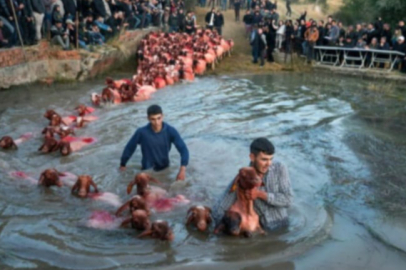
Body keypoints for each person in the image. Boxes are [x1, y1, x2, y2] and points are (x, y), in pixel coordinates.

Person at [212, 138, 293, 231]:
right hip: (262, 230)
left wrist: (260, 194)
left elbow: (288, 200)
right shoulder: (243, 178)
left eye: (271, 159)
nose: (269, 164)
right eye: (264, 159)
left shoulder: (280, 168)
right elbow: (218, 210)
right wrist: (230, 224)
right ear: (252, 157)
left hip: (284, 225)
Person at [120, 105, 189, 181]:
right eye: (153, 119)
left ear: (162, 116)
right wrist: (123, 164)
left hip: (165, 169)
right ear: (148, 118)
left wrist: (182, 169)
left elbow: (183, 149)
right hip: (147, 171)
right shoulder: (141, 132)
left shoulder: (170, 131)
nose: (156, 122)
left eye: (159, 118)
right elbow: (129, 148)